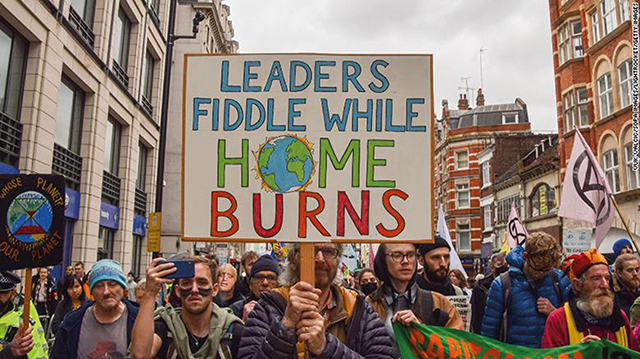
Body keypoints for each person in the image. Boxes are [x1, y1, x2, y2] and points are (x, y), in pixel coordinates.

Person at [238, 243, 393, 359]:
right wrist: (285, 327)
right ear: (292, 260)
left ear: (338, 261)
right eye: (312, 250)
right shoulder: (267, 307)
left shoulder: (358, 308)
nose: (319, 259)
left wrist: (326, 347)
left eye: (329, 252)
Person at [131, 256, 244, 359]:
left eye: (202, 282)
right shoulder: (165, 326)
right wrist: (150, 293)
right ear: (178, 291)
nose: (194, 289)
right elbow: (141, 354)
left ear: (214, 290)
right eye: (186, 283)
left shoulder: (233, 331)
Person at [367, 243, 462, 358]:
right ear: (382, 261)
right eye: (397, 255)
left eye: (411, 255)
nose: (405, 261)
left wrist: (421, 332)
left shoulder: (439, 303)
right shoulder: (367, 305)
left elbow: (458, 349)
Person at [481, 232, 570, 348]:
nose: (542, 273)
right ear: (526, 257)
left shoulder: (558, 279)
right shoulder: (502, 285)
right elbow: (489, 332)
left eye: (547, 269)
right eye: (539, 268)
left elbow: (575, 321)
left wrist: (555, 313)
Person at [542, 249, 639, 350]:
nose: (605, 285)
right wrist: (579, 354)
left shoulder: (620, 317)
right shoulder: (559, 320)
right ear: (577, 285)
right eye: (596, 278)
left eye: (607, 278)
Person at [51, 259, 139, 358]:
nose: (106, 291)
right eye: (99, 286)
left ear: (123, 287)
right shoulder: (72, 323)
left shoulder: (139, 319)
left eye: (112, 284)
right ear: (92, 291)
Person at [0, 270, 48, 358]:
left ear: (13, 292)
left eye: (3, 292)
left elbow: (39, 343)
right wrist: (9, 352)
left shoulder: (25, 306)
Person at [230, 255, 279, 322]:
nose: (265, 283)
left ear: (278, 283)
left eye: (271, 278)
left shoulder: (285, 309)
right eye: (259, 277)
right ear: (250, 284)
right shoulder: (236, 309)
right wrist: (243, 322)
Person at [470, 252, 507, 334]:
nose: (503, 267)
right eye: (500, 264)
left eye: (505, 264)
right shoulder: (480, 288)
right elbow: (475, 316)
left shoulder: (512, 285)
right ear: (492, 268)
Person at [613, 254, 640, 318]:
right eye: (630, 270)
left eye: (637, 270)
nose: (635, 274)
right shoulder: (614, 298)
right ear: (619, 273)